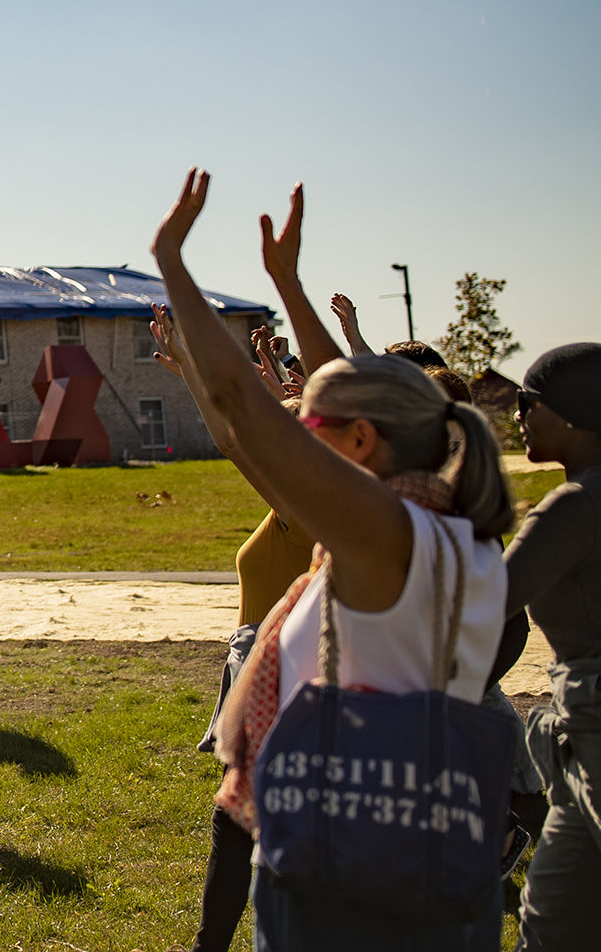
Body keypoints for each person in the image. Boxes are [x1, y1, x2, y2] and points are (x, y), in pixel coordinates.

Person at [153, 172, 515, 951]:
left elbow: (241, 404)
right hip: (428, 853)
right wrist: (288, 284)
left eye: (313, 423)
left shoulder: (385, 536)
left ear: (358, 445)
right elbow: (350, 399)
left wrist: (173, 264)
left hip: (353, 869)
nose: (298, 428)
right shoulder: (451, 525)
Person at [150, 307, 317, 952]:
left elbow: (232, 433)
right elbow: (268, 408)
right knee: (245, 816)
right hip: (263, 653)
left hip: (276, 659)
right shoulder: (307, 501)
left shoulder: (299, 500)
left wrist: (192, 366)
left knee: (242, 820)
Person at [504, 342, 601, 950]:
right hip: (574, 738)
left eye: (527, 402)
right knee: (552, 916)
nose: (519, 416)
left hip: (596, 724)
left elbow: (485, 603)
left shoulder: (576, 505)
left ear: (567, 412)